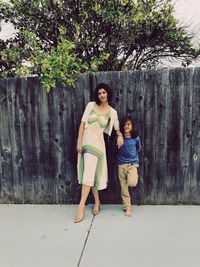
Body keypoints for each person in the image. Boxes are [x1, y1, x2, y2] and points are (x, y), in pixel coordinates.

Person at [74, 83, 123, 223]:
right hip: (86, 141)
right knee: (89, 172)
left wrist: (119, 135)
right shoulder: (90, 105)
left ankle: (88, 203)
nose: (102, 95)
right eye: (100, 93)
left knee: (92, 173)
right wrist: (79, 142)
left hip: (98, 144)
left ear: (108, 94)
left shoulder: (112, 112)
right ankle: (88, 204)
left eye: (104, 92)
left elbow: (117, 128)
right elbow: (83, 124)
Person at [117, 116, 141, 217]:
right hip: (121, 165)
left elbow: (138, 148)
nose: (126, 126)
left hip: (132, 164)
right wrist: (119, 136)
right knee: (123, 188)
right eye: (124, 124)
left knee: (131, 182)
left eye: (128, 124)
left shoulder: (135, 138)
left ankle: (133, 177)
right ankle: (127, 207)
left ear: (132, 126)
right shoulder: (119, 138)